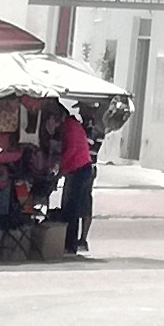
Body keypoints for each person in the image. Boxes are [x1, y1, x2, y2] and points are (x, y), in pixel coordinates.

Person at [56, 106, 96, 255]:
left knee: (71, 208)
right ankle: (69, 242)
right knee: (71, 206)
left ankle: (70, 244)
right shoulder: (72, 125)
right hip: (79, 168)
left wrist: (61, 169)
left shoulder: (70, 127)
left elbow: (71, 149)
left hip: (79, 169)